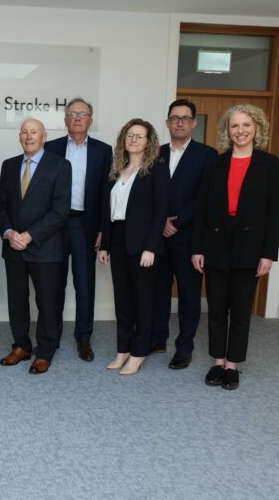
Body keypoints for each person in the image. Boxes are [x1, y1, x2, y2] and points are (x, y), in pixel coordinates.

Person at [192, 104, 279, 390]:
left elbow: (275, 213)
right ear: (227, 131)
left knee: (241, 311)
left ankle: (233, 364)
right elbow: (202, 209)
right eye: (235, 126)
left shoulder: (269, 164)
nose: (240, 131)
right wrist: (198, 248)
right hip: (217, 244)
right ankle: (218, 361)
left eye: (246, 125)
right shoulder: (216, 164)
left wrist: (269, 254)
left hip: (250, 247)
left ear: (256, 128)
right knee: (217, 309)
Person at [0, 118, 71, 375]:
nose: (29, 137)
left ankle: (45, 351)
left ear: (44, 136)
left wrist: (29, 235)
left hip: (45, 247)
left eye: (34, 132)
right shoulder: (8, 165)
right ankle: (21, 346)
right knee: (17, 300)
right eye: (25, 132)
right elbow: (0, 207)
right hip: (13, 246)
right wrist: (9, 233)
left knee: (47, 302)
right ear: (19, 136)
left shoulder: (60, 166)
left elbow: (60, 211)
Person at [151, 100, 218, 369]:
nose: (179, 122)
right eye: (174, 118)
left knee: (189, 295)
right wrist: (160, 222)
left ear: (193, 123)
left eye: (184, 118)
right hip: (157, 236)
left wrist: (177, 223)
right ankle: (158, 338)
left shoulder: (207, 155)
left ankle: (185, 347)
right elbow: (148, 193)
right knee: (158, 290)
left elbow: (205, 197)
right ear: (167, 122)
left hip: (189, 236)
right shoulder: (155, 153)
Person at [99, 119, 169, 376]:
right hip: (118, 240)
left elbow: (161, 210)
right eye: (130, 135)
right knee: (123, 301)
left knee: (143, 301)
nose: (134, 140)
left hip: (143, 245)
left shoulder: (157, 169)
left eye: (140, 136)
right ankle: (123, 349)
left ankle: (138, 353)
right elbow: (108, 211)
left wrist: (151, 247)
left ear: (149, 142)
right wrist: (105, 244)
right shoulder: (118, 169)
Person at [44, 98, 112, 362]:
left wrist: (103, 230)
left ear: (90, 121)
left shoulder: (103, 151)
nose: (77, 118)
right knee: (54, 284)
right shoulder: (51, 148)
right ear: (65, 120)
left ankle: (84, 338)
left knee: (84, 285)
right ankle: (53, 335)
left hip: (86, 225)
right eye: (72, 114)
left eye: (82, 114)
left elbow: (107, 193)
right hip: (56, 225)